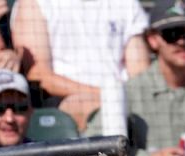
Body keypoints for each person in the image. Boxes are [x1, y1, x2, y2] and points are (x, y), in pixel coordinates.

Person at [11, 0, 150, 132]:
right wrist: (109, 96)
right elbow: (39, 75)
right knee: (81, 104)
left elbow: (140, 74)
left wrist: (121, 97)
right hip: (67, 100)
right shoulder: (33, 3)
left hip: (124, 97)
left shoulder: (126, 4)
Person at [125, 0, 185, 156]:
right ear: (153, 39)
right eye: (173, 33)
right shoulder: (132, 91)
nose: (182, 42)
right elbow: (99, 148)